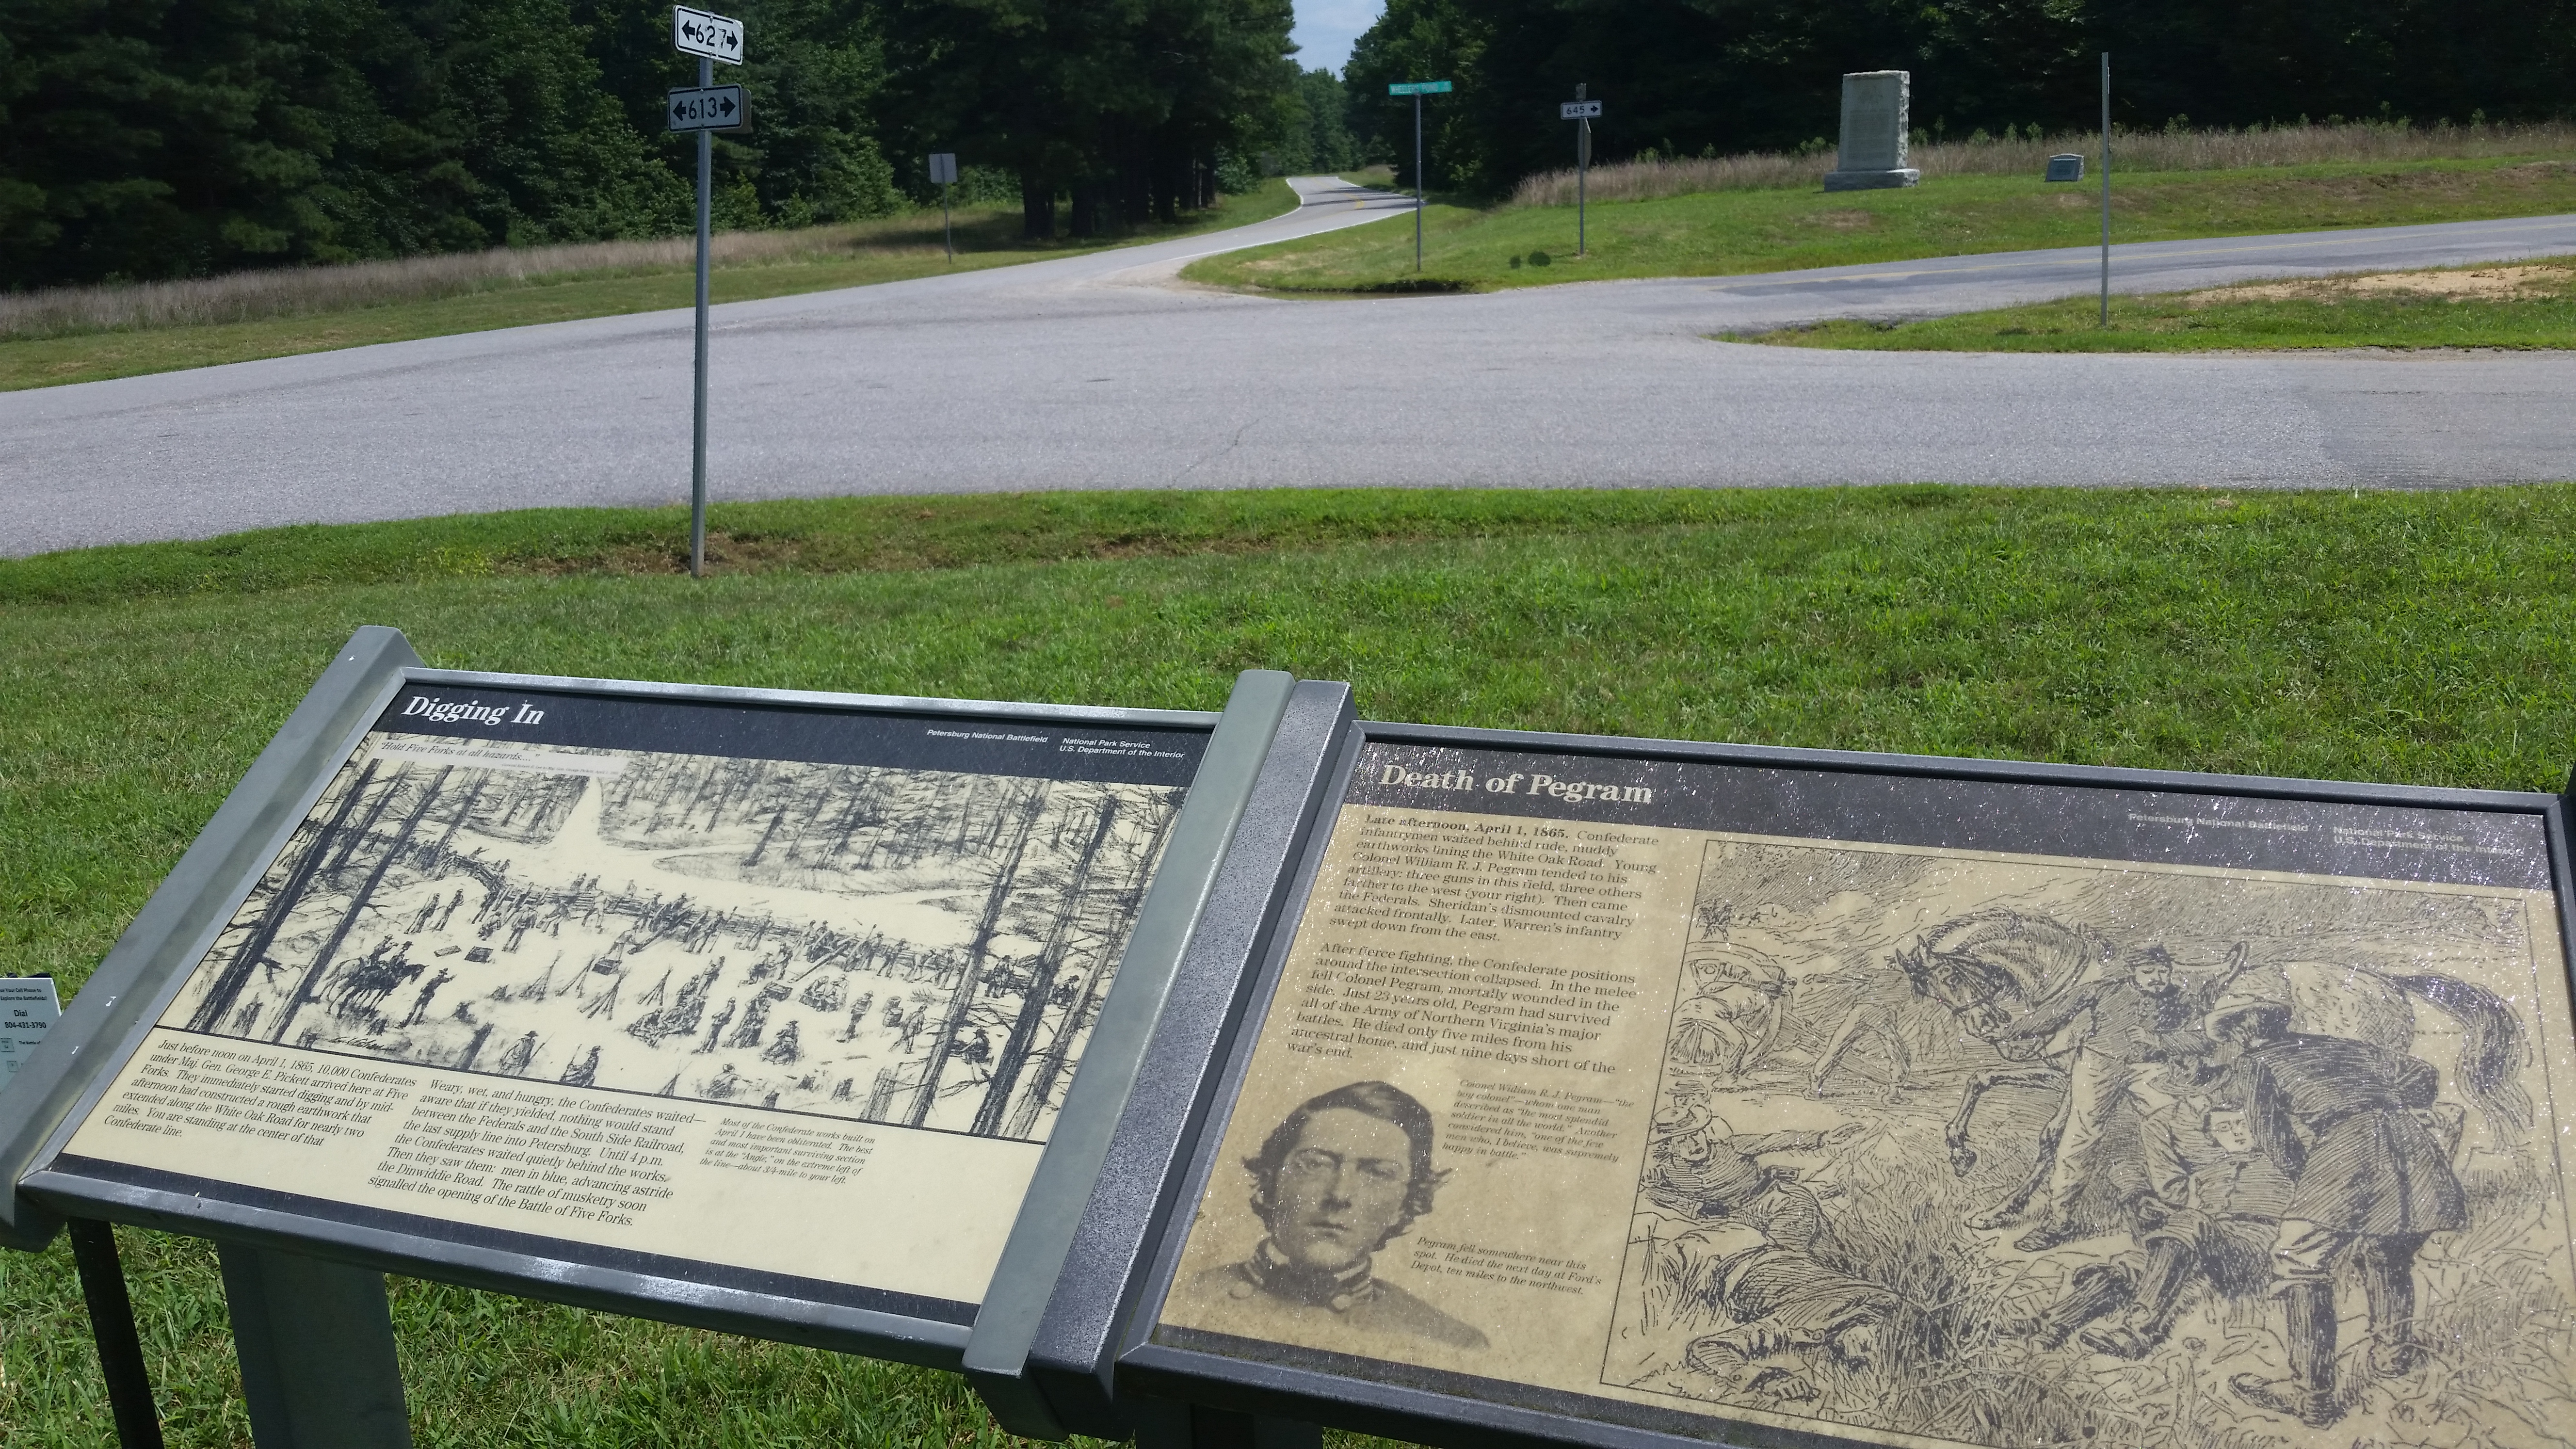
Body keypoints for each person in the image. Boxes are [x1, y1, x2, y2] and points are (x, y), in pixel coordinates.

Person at [2205, 991, 2464, 1430]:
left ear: (2243, 1031)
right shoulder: (2342, 1046)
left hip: (2347, 1150)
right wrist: (2390, 1104)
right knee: (2387, 1250)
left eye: (2232, 1031)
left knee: (2298, 1262)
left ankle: (2311, 1396)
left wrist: (2309, 1175)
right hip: (2412, 1146)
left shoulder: (2254, 1062)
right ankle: (2393, 1356)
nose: (2233, 1039)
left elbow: (2273, 1136)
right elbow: (2423, 1073)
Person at [1184, 1080, 1487, 1350]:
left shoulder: (1450, 1342)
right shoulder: (1184, 1297)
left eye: (1378, 1173)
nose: (1340, 1195)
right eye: (1315, 1165)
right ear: (1270, 1183)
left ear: (1405, 1205)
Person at [1990, 943, 2248, 1251]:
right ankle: (2059, 1221)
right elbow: (2054, 1015)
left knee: (2174, 1127)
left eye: (2163, 971)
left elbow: (2204, 1041)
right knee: (2080, 1136)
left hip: (2149, 1069)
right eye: (2148, 971)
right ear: (2133, 972)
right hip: (2098, 1066)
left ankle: (2189, 1207)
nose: (2157, 978)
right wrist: (2009, 1032)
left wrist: (2158, 1040)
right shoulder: (2104, 991)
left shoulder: (2182, 1000)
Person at [1641, 1104, 1858, 1253]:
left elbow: (1774, 1140)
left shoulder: (1732, 1146)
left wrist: (1822, 1138)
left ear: (1704, 1131)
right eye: (1682, 1141)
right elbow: (1654, 1194)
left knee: (1795, 1249)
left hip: (1774, 1200)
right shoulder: (1671, 1171)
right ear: (1670, 1147)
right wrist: (1695, 1208)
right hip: (1735, 1220)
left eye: (1695, 1134)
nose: (1694, 1144)